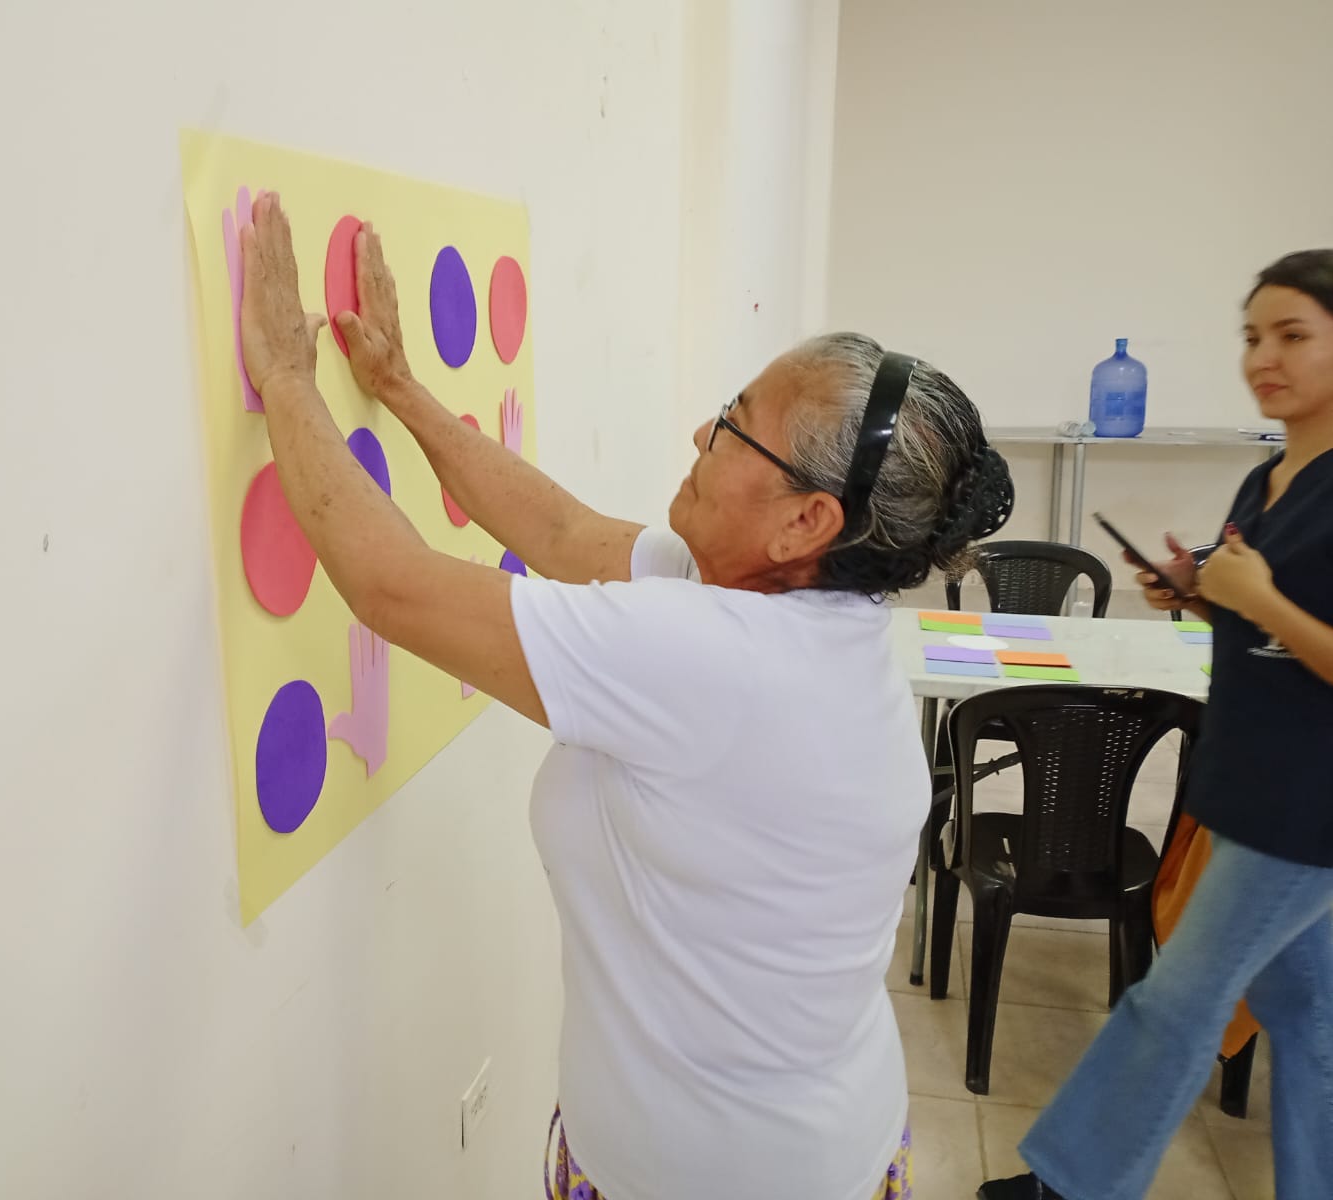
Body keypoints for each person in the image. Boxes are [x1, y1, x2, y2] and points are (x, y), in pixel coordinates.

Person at [233, 191, 1015, 1200]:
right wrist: (399, 389)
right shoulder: (804, 609)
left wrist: (285, 379)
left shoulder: (715, 661)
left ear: (804, 523)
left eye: (733, 428)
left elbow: (393, 586)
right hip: (824, 1138)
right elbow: (559, 532)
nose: (699, 431)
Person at [981, 249, 1333, 1200]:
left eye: (1292, 334)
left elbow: (1288, 621)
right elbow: (1272, 634)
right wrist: (1199, 594)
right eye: (1251, 336)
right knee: (1306, 1015)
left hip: (1306, 807)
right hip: (1249, 783)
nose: (1263, 357)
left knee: (1176, 1000)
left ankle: (1072, 1184)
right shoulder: (1268, 479)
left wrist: (1256, 599)